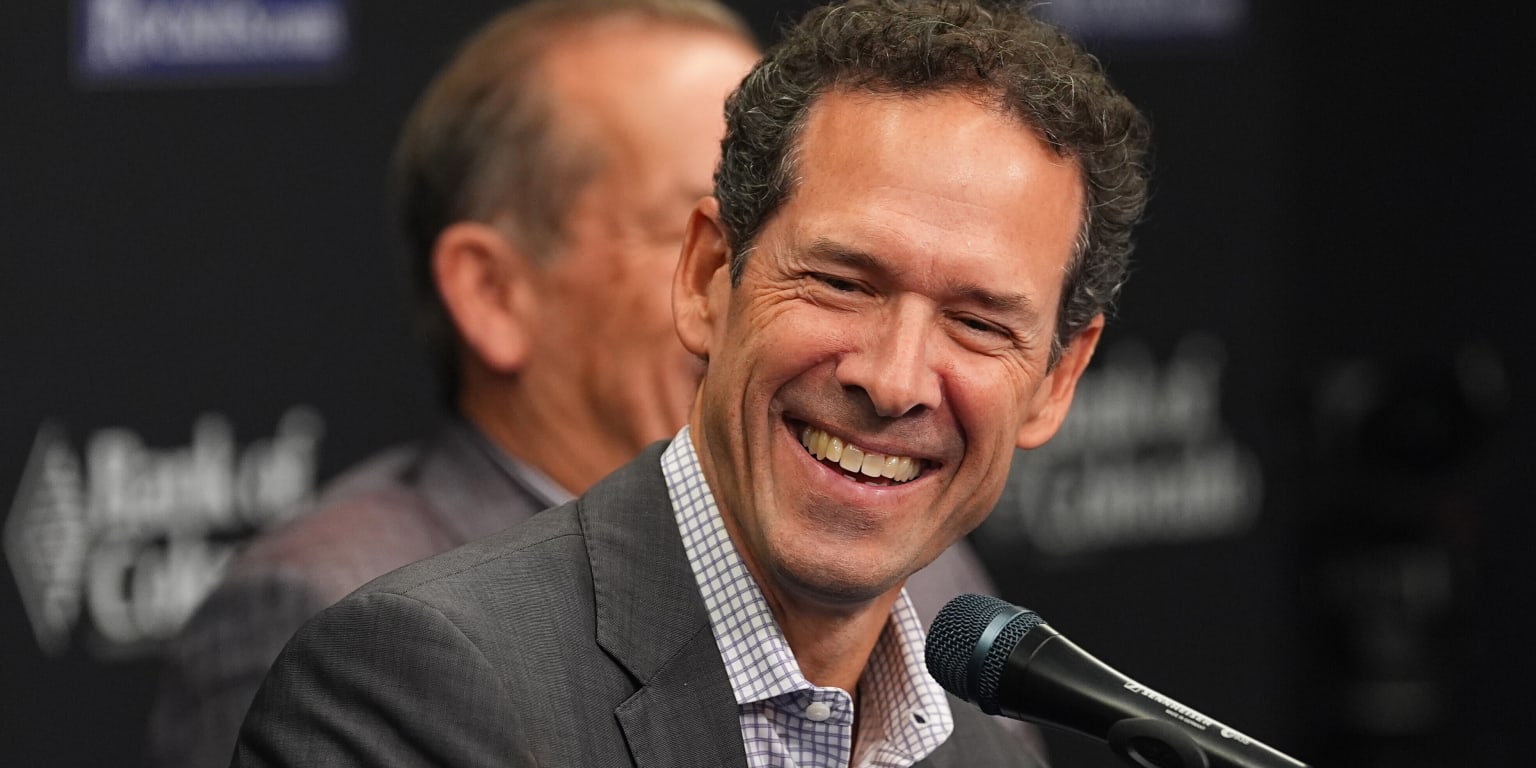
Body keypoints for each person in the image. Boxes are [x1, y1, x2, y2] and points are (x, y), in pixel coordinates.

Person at [233, 0, 1150, 765]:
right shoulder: (419, 683)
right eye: (842, 282)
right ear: (710, 277)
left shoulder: (983, 747)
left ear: (1056, 379)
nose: (894, 380)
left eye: (980, 324)